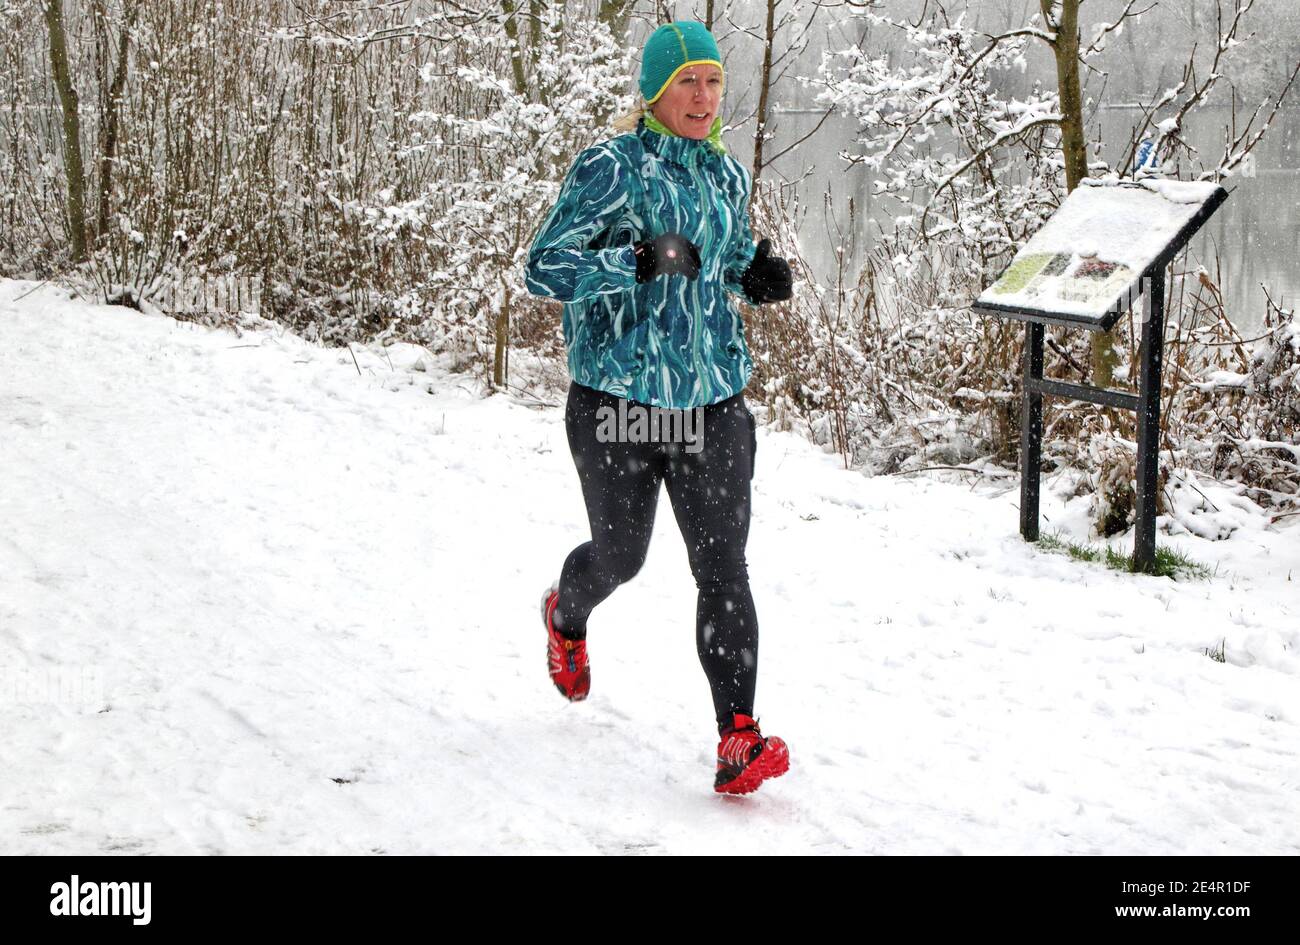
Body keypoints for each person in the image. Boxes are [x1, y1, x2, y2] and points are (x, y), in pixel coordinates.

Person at [524, 20, 794, 795]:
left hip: (712, 405)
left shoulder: (724, 177)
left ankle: (737, 735)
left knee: (722, 567)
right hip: (622, 403)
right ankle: (565, 615)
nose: (704, 98)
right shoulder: (611, 168)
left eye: (713, 80)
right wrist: (635, 261)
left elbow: (733, 258)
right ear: (653, 92)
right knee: (622, 556)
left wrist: (759, 277)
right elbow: (543, 268)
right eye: (687, 83)